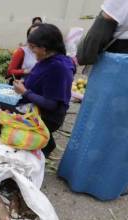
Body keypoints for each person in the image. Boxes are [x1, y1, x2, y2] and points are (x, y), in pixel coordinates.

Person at [58, 0, 128, 201]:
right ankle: (112, 184)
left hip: (117, 67)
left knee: (96, 123)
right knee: (122, 135)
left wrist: (83, 56)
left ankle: (81, 178)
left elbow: (99, 32)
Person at [12, 23, 75, 158]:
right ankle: (47, 142)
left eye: (33, 47)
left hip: (47, 117)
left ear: (44, 48)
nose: (31, 50)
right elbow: (39, 78)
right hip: (34, 107)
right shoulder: (47, 59)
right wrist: (26, 83)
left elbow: (51, 104)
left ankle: (42, 144)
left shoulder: (58, 68)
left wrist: (25, 92)